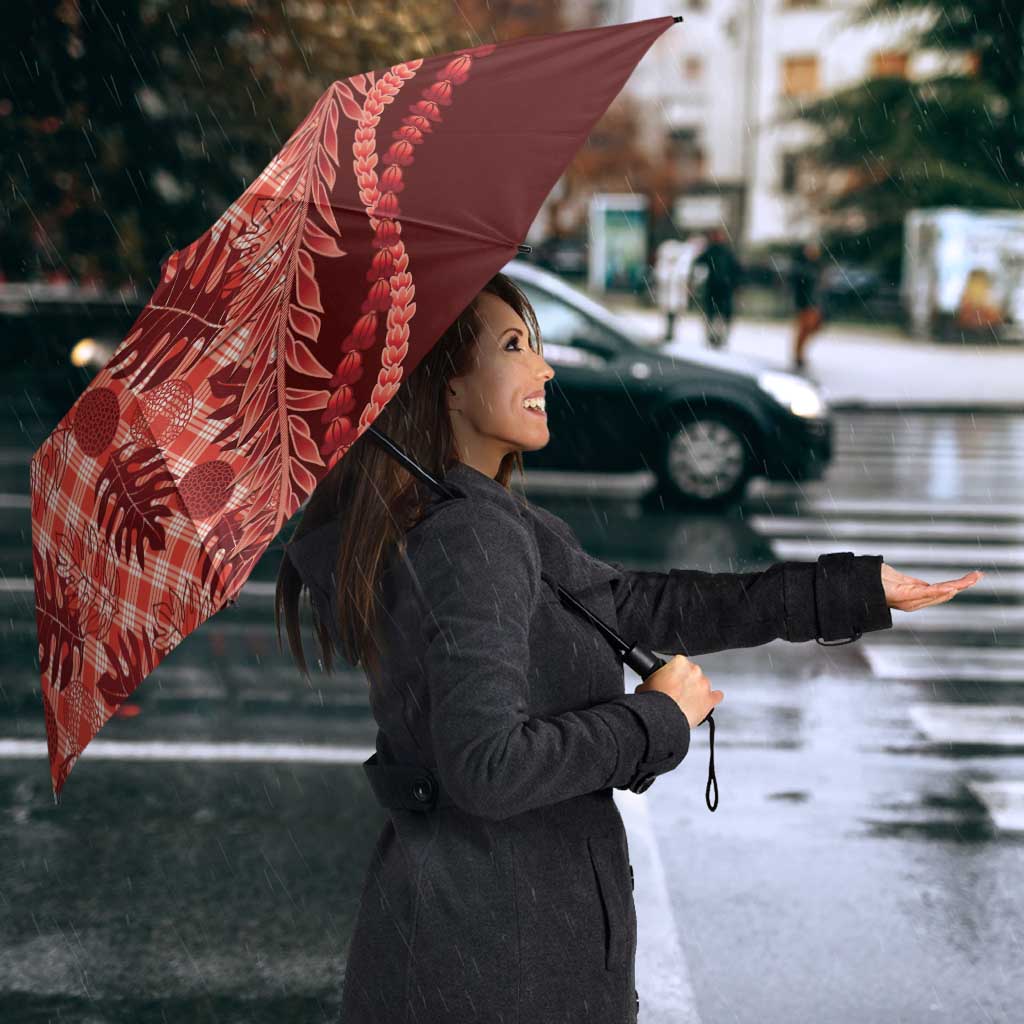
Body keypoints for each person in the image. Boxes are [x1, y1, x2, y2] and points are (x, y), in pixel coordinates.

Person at [275, 272, 919, 1024]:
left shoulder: (481, 519)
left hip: (481, 940)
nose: (544, 368)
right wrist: (654, 719)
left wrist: (849, 591)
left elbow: (643, 605)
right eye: (515, 346)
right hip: (498, 961)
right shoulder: (471, 537)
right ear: (446, 388)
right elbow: (487, 767)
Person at [692, 226, 742, 349]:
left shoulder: (725, 252)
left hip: (723, 288)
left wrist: (735, 284)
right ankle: (713, 337)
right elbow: (698, 264)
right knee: (713, 314)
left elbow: (736, 270)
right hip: (715, 288)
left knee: (720, 315)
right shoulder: (712, 251)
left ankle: (719, 337)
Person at [790, 239, 826, 371]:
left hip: (814, 303)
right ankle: (798, 355)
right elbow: (799, 286)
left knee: (812, 328)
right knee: (804, 329)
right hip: (805, 303)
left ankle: (800, 354)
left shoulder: (817, 266)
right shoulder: (802, 267)